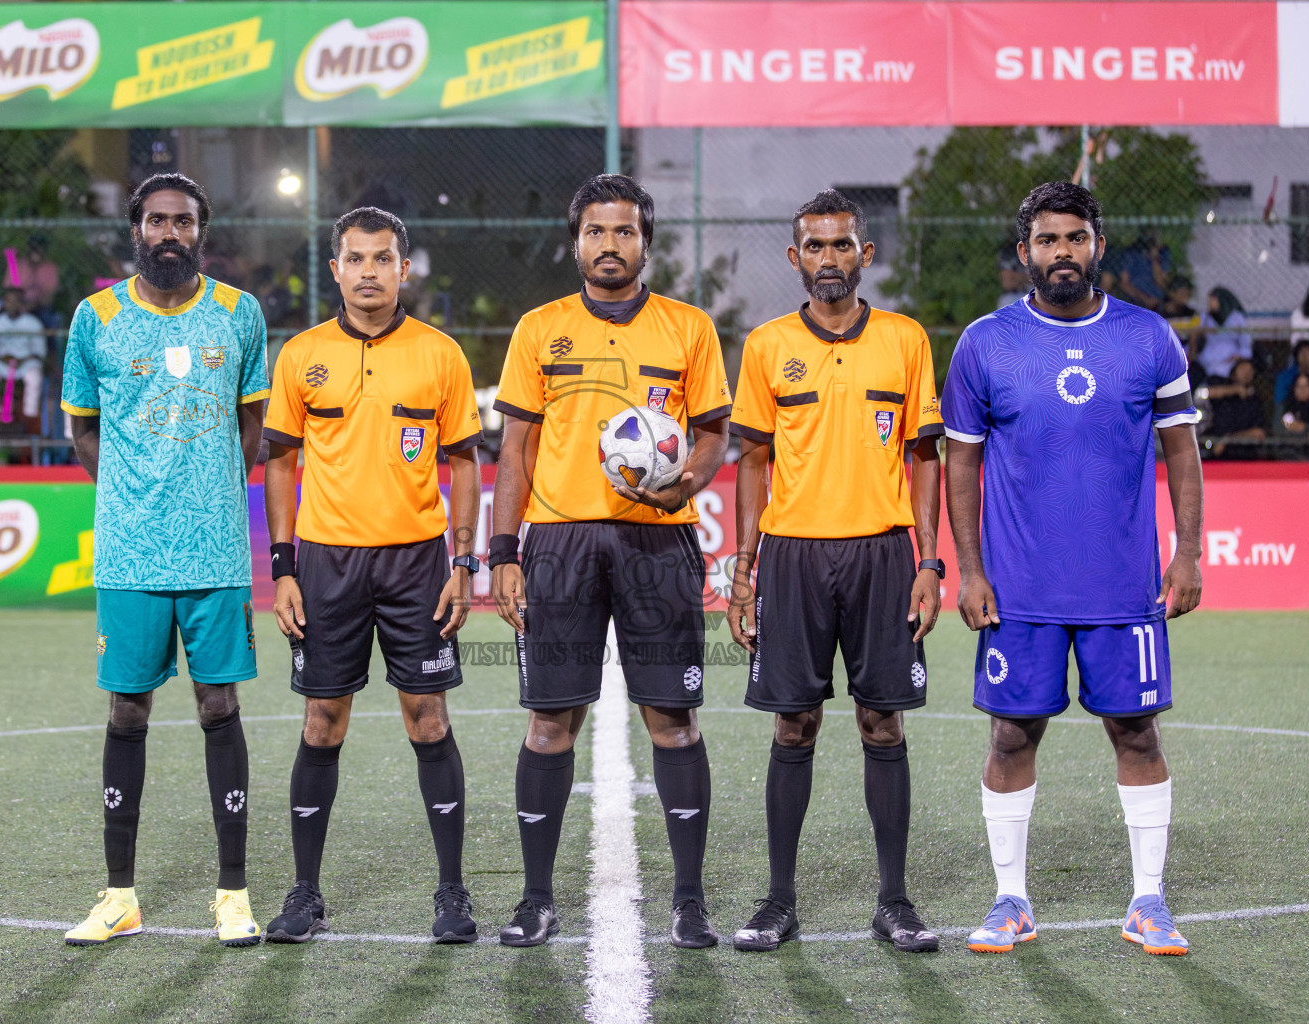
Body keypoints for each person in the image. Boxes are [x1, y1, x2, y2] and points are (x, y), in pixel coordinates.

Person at [942, 181, 1204, 957]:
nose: (1063, 252)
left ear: (1097, 245)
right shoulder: (985, 344)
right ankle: (1010, 900)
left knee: (1137, 731)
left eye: (1077, 238)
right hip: (1019, 589)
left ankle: (1148, 901)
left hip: (1124, 587)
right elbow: (961, 465)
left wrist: (1186, 552)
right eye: (1048, 240)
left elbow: (1182, 452)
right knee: (1011, 735)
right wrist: (970, 569)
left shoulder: (1149, 337)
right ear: (1024, 252)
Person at [488, 174, 731, 948]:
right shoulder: (538, 329)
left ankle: (688, 899)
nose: (609, 245)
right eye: (596, 232)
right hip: (559, 542)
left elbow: (714, 434)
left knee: (674, 721)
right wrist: (503, 552)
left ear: (645, 243)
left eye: (624, 232)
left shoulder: (688, 328)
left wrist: (684, 483)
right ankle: (535, 899)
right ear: (576, 243)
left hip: (658, 540)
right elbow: (516, 452)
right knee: (550, 722)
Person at [725, 190, 945, 954]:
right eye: (815, 247)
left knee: (882, 720)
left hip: (884, 555)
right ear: (796, 259)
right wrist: (744, 569)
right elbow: (752, 461)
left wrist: (930, 562)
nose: (829, 259)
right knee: (795, 723)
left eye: (842, 246)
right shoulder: (765, 346)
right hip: (792, 556)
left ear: (865, 255)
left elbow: (925, 459)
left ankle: (895, 901)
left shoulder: (906, 341)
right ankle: (778, 901)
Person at [259, 207, 484, 945]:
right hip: (326, 564)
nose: (367, 272)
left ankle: (452, 894)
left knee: (430, 718)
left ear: (403, 268)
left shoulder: (441, 355)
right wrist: (283, 568)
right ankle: (304, 894)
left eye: (382, 259)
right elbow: (282, 462)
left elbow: (463, 462)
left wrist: (463, 561)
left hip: (417, 561)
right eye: (354, 259)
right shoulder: (300, 356)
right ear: (335, 269)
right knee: (322, 721)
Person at [59, 173, 269, 948]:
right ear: (136, 229)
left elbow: (254, 425)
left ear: (201, 230)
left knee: (220, 707)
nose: (169, 232)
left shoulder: (239, 313)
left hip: (215, 550)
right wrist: (134, 491)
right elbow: (84, 430)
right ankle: (120, 896)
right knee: (128, 711)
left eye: (183, 220)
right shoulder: (96, 318)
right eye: (156, 220)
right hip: (129, 551)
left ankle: (233, 895)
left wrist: (210, 487)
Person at [0, 287, 48, 430]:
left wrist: (22, 360)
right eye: (8, 301)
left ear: (22, 303)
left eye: (16, 301)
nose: (12, 305)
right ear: (4, 303)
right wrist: (1, 358)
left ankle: (30, 416)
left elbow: (40, 352)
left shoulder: (33, 323)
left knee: (34, 377)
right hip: (1, 362)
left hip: (26, 362)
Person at [1200, 358, 1266, 458]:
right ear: (1234, 371)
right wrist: (1234, 390)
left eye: (1250, 371)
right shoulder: (1220, 383)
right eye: (1243, 369)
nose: (1246, 373)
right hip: (1212, 446)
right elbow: (1203, 394)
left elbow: (1259, 433)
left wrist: (1228, 440)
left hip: (1242, 452)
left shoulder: (1254, 401)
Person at [1196, 287, 1253, 381]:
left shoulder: (1236, 317)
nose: (1209, 303)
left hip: (1230, 362)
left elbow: (1245, 341)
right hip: (1207, 360)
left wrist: (1240, 355)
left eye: (1212, 300)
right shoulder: (1205, 317)